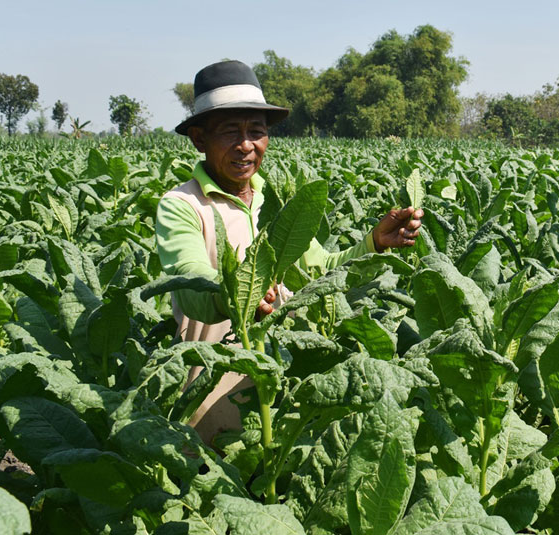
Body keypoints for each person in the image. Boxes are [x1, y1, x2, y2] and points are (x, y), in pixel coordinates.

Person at [156, 60, 423, 443]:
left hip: (284, 390)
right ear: (199, 139)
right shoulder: (182, 205)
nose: (246, 145)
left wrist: (375, 243)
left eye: (257, 131)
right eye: (230, 131)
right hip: (214, 393)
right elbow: (190, 282)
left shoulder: (275, 202)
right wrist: (240, 295)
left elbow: (319, 272)